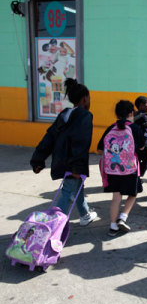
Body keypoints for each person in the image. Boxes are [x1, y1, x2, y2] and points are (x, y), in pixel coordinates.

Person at [30, 78, 97, 226]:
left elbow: (49, 137)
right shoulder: (85, 116)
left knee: (77, 185)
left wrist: (38, 159)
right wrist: (77, 168)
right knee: (67, 191)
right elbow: (81, 143)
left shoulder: (65, 114)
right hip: (72, 162)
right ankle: (51, 227)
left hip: (61, 160)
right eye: (89, 97)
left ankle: (85, 214)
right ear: (85, 98)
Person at [97, 100, 145, 237]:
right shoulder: (135, 128)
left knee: (116, 198)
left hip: (112, 170)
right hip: (130, 168)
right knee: (133, 194)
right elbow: (142, 147)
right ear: (131, 113)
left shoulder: (110, 128)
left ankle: (113, 227)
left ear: (117, 114)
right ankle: (122, 218)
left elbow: (100, 149)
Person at [134, 96, 147, 176]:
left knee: (137, 160)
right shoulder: (144, 116)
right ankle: (138, 175)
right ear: (141, 105)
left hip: (135, 143)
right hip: (143, 143)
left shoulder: (135, 114)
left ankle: (136, 176)